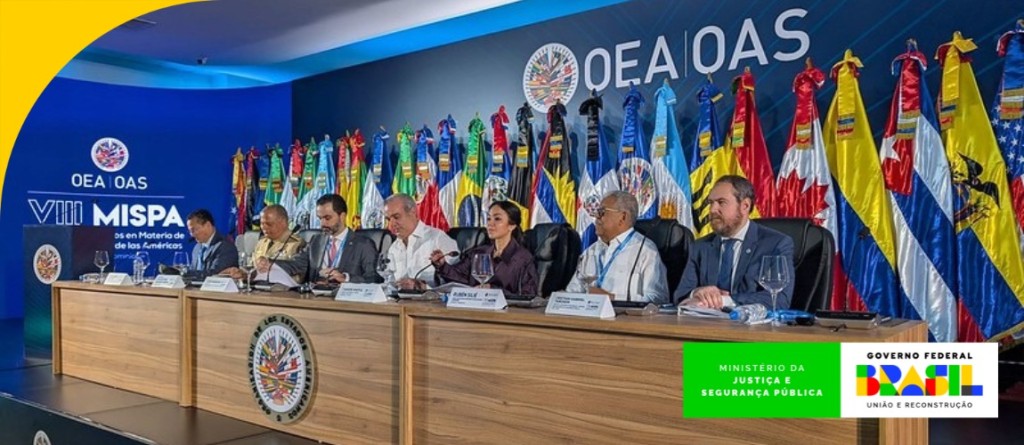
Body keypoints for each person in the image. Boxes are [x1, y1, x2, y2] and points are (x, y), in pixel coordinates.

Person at [675, 175, 795, 309]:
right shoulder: (700, 246)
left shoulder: (775, 244)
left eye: (721, 202)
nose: (712, 210)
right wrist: (696, 293)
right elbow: (680, 295)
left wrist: (724, 301)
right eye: (711, 203)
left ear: (745, 206)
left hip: (750, 321)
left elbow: (779, 299)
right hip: (706, 321)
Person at [565, 191, 669, 304]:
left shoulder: (646, 251)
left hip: (623, 315)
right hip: (588, 314)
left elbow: (658, 299)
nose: (596, 217)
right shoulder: (591, 250)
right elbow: (572, 292)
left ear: (622, 217)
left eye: (602, 212)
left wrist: (611, 298)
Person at [264, 194, 379, 284]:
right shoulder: (316, 241)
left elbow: (374, 278)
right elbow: (296, 264)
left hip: (346, 301)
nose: (322, 224)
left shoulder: (363, 244)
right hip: (316, 298)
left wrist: (346, 278)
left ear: (342, 216)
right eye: (320, 218)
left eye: (327, 218)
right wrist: (270, 263)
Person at [430, 201, 538, 296]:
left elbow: (528, 295)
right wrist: (442, 265)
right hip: (474, 308)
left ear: (512, 226)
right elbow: (460, 277)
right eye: (489, 219)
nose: (490, 223)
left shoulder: (523, 258)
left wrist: (493, 290)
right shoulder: (479, 252)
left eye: (497, 219)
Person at [384, 193, 458, 290]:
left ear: (413, 212)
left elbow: (455, 282)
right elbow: (390, 283)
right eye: (388, 219)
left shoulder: (438, 239)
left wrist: (421, 286)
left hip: (433, 299)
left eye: (396, 217)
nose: (391, 224)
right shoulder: (394, 248)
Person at [223, 204, 305, 281]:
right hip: (257, 287)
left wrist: (272, 265)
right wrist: (242, 273)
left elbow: (299, 271)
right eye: (262, 224)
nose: (264, 227)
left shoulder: (297, 243)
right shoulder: (261, 242)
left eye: (269, 224)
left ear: (283, 223)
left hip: (282, 289)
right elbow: (252, 269)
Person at [186, 209, 239, 276]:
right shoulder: (196, 248)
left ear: (208, 225)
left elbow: (215, 274)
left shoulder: (226, 247)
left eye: (194, 230)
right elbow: (192, 272)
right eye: (190, 231)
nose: (192, 235)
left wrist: (186, 273)